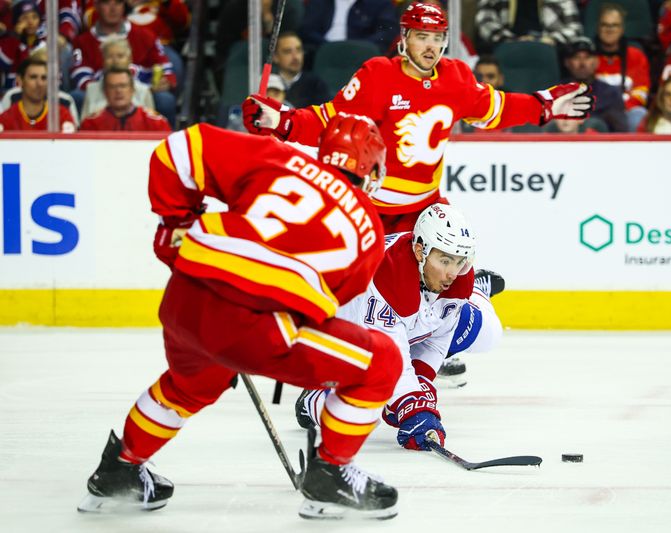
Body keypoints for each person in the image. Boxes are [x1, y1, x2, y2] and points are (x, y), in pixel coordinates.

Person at [76, 114, 404, 520]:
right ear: (371, 170)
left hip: (186, 296)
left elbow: (176, 150)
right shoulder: (369, 228)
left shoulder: (276, 156)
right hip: (254, 323)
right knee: (381, 362)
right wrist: (247, 342)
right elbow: (325, 306)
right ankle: (332, 475)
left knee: (189, 386)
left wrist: (177, 224)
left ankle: (119, 472)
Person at [243, 2, 594, 233]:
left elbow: (496, 109)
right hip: (374, 209)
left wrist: (543, 106)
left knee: (458, 276)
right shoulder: (379, 74)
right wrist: (283, 121)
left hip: (424, 207)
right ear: (405, 38)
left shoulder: (455, 77)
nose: (430, 47)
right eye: (422, 37)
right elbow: (330, 121)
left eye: (438, 38)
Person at [296, 203, 503, 452]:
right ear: (419, 250)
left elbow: (438, 338)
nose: (452, 273)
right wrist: (413, 404)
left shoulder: (455, 277)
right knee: (366, 410)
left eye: (459, 262)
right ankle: (314, 399)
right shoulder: (387, 274)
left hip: (408, 325)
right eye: (445, 260)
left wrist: (423, 380)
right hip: (347, 337)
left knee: (489, 333)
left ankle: (480, 290)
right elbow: (390, 359)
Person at [70, 0, 176, 124]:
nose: (113, 8)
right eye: (107, 3)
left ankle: (167, 140)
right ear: (96, 6)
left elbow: (164, 67)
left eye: (118, 3)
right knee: (77, 97)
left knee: (165, 100)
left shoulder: (146, 36)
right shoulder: (82, 42)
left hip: (141, 92)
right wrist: (110, 88)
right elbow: (80, 77)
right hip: (100, 93)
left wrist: (165, 81)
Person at [593, 3, 650, 131]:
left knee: (639, 114)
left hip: (626, 111)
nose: (609, 29)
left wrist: (617, 108)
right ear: (598, 27)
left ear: (622, 28)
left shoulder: (636, 56)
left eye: (614, 25)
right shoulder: (589, 56)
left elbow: (641, 93)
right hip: (596, 112)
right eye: (605, 25)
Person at [563, 36, 627, 132]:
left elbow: (622, 133)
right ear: (567, 63)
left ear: (597, 62)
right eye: (576, 57)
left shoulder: (611, 93)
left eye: (587, 57)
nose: (582, 63)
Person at [81, 37, 156, 119]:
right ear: (103, 61)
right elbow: (84, 126)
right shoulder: (91, 89)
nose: (115, 61)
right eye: (110, 56)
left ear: (130, 59)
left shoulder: (143, 91)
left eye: (120, 56)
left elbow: (150, 125)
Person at [80, 65, 170, 130]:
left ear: (132, 90)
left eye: (123, 86)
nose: (118, 91)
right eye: (112, 86)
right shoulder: (91, 124)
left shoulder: (157, 123)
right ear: (105, 92)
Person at [299, 0, 399, 58]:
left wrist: (357, 48)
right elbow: (307, 29)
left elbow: (387, 31)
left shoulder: (379, 3)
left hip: (362, 57)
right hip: (323, 53)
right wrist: (329, 47)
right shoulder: (321, 2)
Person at [0, 56, 76, 131]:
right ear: (20, 80)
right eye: (33, 77)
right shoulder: (6, 119)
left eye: (44, 78)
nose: (39, 83)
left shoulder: (62, 116)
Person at [474, 0, 582, 51]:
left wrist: (551, 40)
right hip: (507, 46)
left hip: (549, 48)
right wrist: (511, 39)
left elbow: (575, 28)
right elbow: (484, 22)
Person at [272, 32, 330, 109]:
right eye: (288, 51)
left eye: (298, 50)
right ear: (275, 57)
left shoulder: (316, 85)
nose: (295, 57)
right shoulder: (268, 83)